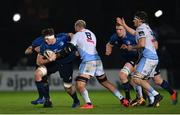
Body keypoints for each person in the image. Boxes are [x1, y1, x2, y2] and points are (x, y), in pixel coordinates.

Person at [48, 20, 129, 109]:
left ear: (77, 27)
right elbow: (86, 46)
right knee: (105, 82)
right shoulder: (91, 34)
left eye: (75, 28)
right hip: (97, 60)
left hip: (88, 61)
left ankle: (88, 104)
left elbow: (68, 49)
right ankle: (122, 99)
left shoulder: (77, 35)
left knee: (79, 84)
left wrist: (56, 55)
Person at [116, 11, 163, 107]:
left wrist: (131, 47)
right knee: (142, 80)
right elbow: (135, 33)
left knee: (135, 78)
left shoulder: (141, 28)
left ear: (140, 20)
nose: (133, 20)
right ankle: (152, 100)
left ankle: (156, 95)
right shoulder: (147, 28)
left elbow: (142, 44)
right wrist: (124, 25)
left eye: (135, 19)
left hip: (148, 57)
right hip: (153, 57)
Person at [32, 28, 80, 108]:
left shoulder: (63, 38)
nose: (46, 41)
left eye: (47, 39)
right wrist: (49, 59)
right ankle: (46, 99)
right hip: (53, 63)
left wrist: (75, 46)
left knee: (67, 87)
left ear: (53, 36)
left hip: (66, 63)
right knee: (38, 74)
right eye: (45, 39)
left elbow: (72, 35)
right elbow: (38, 61)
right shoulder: (44, 45)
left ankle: (76, 101)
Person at [105, 23, 146, 106]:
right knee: (133, 80)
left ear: (125, 29)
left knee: (123, 75)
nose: (118, 31)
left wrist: (131, 48)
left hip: (136, 59)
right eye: (117, 29)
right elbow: (109, 44)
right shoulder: (114, 37)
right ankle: (141, 97)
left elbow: (142, 46)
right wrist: (108, 50)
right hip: (128, 59)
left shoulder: (131, 36)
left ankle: (129, 98)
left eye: (120, 29)